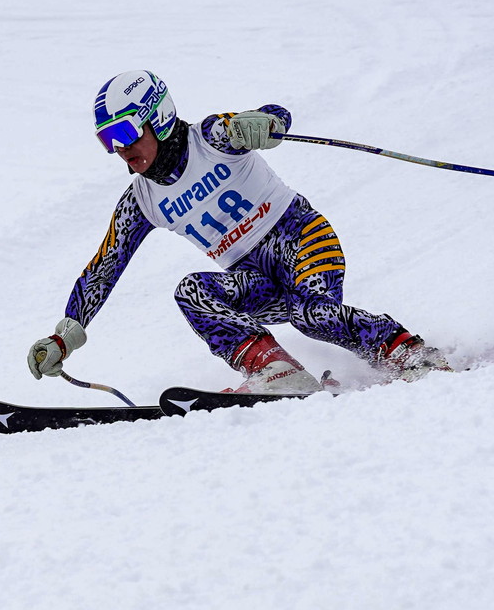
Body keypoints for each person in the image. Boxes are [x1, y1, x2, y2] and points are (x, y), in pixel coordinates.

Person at [27, 70, 449, 394]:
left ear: (158, 117)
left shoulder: (211, 137)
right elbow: (104, 267)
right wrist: (64, 337)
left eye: (124, 133)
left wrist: (264, 123)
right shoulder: (141, 200)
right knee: (191, 291)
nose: (120, 149)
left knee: (310, 315)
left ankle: (407, 353)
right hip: (253, 278)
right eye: (108, 140)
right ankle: (275, 370)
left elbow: (273, 117)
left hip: (301, 239)